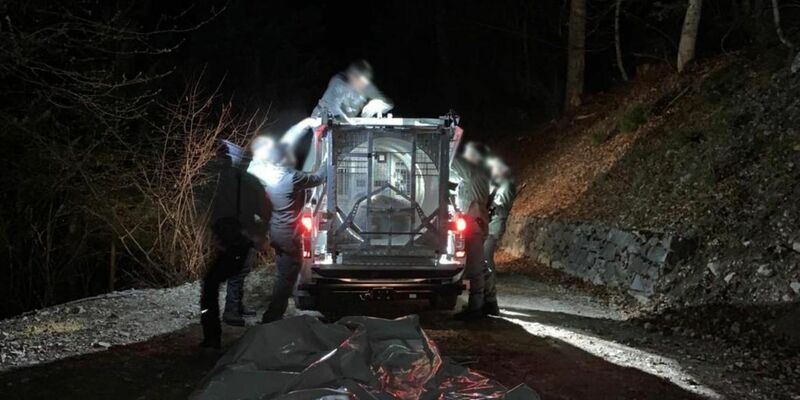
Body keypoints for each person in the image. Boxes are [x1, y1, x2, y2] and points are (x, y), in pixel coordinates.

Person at [200, 140, 271, 349]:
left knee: (211, 286)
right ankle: (231, 312)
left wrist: (217, 236)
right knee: (234, 275)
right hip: (242, 241)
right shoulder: (252, 182)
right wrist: (258, 235)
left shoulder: (219, 180)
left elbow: (211, 210)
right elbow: (266, 212)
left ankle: (214, 335)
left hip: (231, 241)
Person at [254, 143, 326, 323]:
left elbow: (255, 167)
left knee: (283, 274)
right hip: (288, 236)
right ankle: (272, 317)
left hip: (277, 232)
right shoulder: (291, 177)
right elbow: (318, 178)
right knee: (287, 277)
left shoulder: (270, 175)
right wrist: (328, 158)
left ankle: (276, 313)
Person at [449, 142, 491, 321]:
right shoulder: (475, 175)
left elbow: (452, 164)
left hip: (474, 225)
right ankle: (489, 302)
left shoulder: (473, 174)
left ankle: (476, 308)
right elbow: (453, 175)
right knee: (479, 266)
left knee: (475, 267)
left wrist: (447, 151)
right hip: (477, 224)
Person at [482, 156, 516, 316]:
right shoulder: (497, 184)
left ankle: (489, 298)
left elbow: (500, 207)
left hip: (492, 227)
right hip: (489, 225)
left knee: (486, 260)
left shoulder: (506, 185)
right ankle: (486, 297)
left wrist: (489, 205)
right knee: (483, 260)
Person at [311, 59, 393, 120]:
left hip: (347, 124)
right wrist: (351, 124)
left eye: (363, 83)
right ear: (351, 76)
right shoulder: (338, 83)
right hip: (321, 119)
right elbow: (334, 109)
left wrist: (378, 104)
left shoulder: (366, 85)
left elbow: (388, 103)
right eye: (357, 81)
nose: (360, 86)